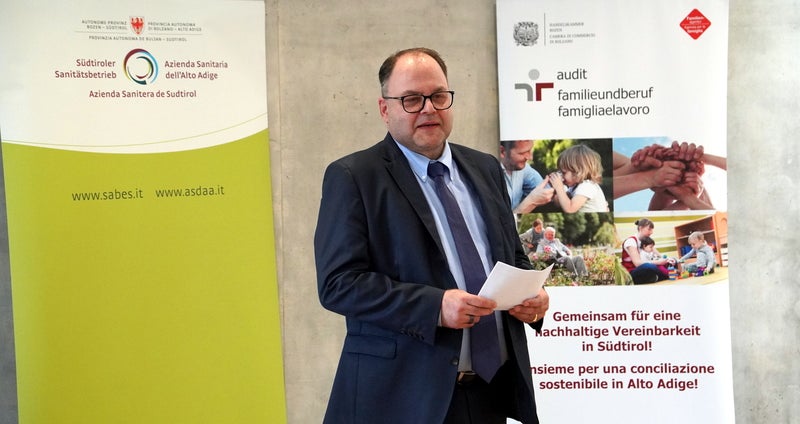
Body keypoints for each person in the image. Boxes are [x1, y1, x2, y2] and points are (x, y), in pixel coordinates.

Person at [314, 47, 548, 424]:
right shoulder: (354, 177)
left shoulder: (486, 168)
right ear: (385, 109)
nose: (428, 109)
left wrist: (530, 298)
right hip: (404, 398)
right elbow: (338, 284)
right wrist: (434, 307)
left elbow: (511, 257)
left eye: (438, 96)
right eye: (411, 99)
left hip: (490, 393)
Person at [548, 144, 609, 213]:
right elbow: (558, 204)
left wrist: (559, 187)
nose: (561, 175)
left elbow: (570, 209)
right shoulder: (574, 187)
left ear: (578, 171)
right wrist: (557, 188)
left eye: (564, 172)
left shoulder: (587, 186)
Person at [499, 140, 553, 214]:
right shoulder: (490, 176)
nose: (530, 157)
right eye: (523, 153)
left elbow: (545, 190)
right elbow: (499, 220)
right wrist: (531, 201)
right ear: (502, 151)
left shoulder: (522, 168)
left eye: (530, 150)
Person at [620, 218, 673, 284]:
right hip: (632, 271)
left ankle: (656, 277)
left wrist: (667, 259)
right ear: (640, 228)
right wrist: (658, 262)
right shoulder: (631, 241)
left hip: (645, 268)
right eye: (649, 229)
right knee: (649, 266)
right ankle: (665, 275)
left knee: (671, 261)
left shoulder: (645, 240)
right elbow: (637, 263)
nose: (652, 232)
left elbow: (657, 253)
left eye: (652, 230)